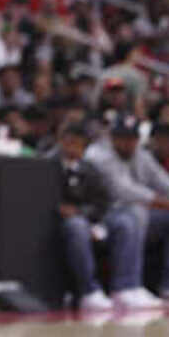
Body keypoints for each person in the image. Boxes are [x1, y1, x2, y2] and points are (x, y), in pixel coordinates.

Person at [85, 118, 169, 309]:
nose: (127, 143)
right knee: (136, 213)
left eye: (132, 138)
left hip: (135, 215)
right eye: (122, 138)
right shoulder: (98, 155)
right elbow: (125, 191)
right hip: (101, 216)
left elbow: (165, 181)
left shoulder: (140, 154)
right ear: (112, 137)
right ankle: (125, 287)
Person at [52, 122, 124, 311]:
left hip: (89, 220)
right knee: (76, 226)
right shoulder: (47, 165)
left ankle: (125, 287)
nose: (71, 149)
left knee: (124, 222)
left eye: (77, 145)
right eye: (68, 143)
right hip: (55, 223)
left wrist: (82, 213)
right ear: (60, 142)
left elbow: (102, 203)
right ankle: (89, 291)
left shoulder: (91, 170)